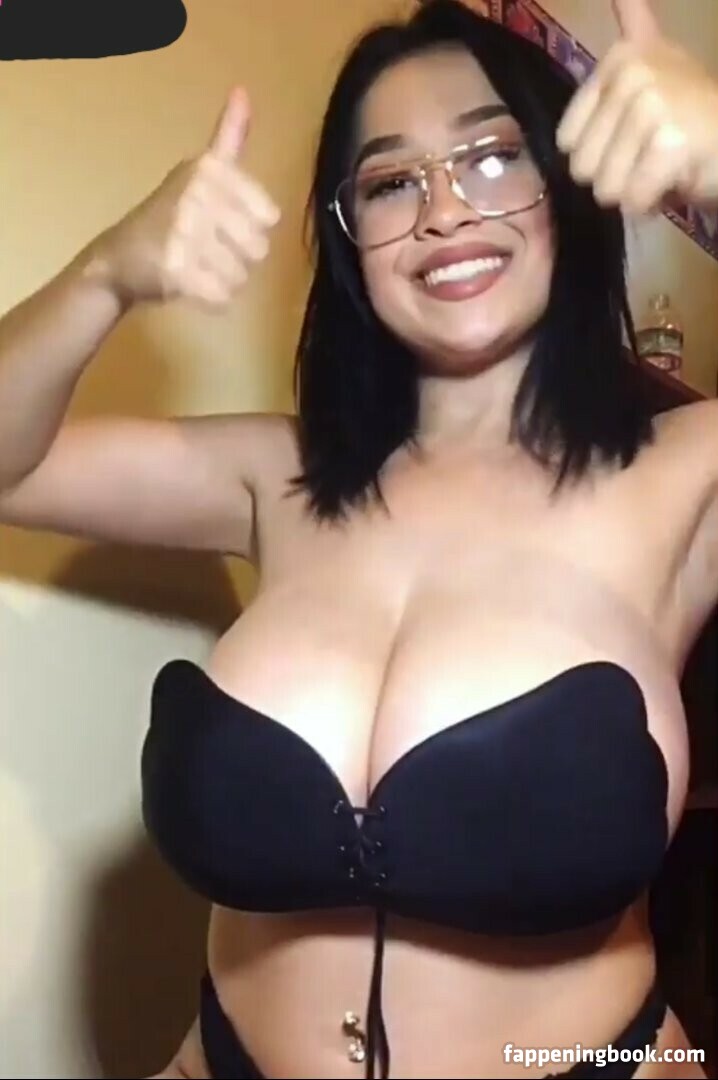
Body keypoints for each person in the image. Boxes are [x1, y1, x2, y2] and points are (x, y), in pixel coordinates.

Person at [0, 0, 716, 1076]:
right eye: (390, 182)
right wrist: (105, 272)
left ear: (568, 187)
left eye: (491, 158)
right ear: (348, 238)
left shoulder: (684, 470)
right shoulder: (279, 475)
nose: (442, 212)